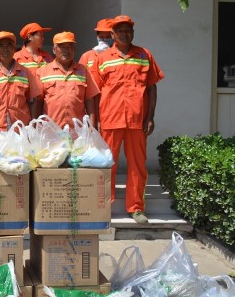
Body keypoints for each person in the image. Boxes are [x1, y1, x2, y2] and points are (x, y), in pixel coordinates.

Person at [91, 15, 164, 224]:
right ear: (112, 34)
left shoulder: (144, 55)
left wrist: (150, 117)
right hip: (110, 119)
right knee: (107, 165)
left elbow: (152, 88)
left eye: (128, 30)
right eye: (120, 30)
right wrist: (95, 121)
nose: (125, 33)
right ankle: (104, 207)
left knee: (138, 165)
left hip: (137, 120)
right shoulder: (103, 59)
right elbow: (94, 93)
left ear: (133, 33)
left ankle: (136, 208)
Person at [33, 31, 99, 129]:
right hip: (51, 131)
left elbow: (89, 101)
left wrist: (92, 128)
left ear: (74, 50)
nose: (66, 51)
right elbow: (37, 102)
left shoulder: (84, 71)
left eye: (70, 47)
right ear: (54, 50)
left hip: (77, 131)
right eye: (62, 47)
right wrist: (35, 127)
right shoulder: (42, 72)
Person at [0, 31, 41, 132]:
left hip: (20, 130)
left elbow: (33, 101)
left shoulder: (26, 73)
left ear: (14, 49)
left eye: (9, 45)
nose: (5, 49)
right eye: (1, 46)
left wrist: (33, 125)